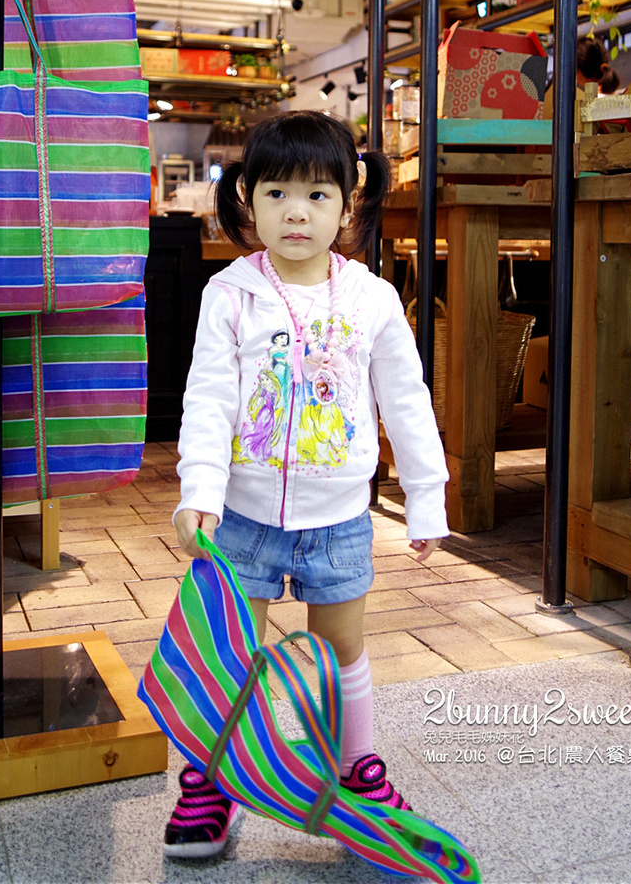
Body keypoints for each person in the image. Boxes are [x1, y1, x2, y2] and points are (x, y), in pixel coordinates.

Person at [164, 110, 450, 859]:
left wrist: (427, 497)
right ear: (248, 201)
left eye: (319, 194)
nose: (297, 210)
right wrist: (199, 490)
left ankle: (357, 776)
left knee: (343, 649)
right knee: (233, 654)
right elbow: (209, 397)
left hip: (340, 521)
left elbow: (407, 400)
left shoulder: (372, 300)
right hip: (243, 520)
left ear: (348, 206)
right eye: (279, 192)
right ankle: (214, 782)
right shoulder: (227, 294)